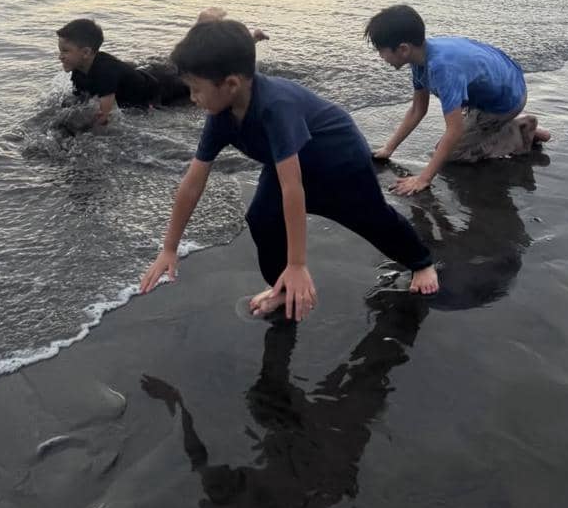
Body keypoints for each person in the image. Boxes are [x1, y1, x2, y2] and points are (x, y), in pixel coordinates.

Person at [139, 18, 438, 321]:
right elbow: (193, 181)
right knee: (262, 218)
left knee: (371, 218)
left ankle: (421, 262)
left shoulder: (275, 107)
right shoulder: (220, 115)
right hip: (285, 159)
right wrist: (169, 247)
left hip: (339, 161)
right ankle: (282, 290)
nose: (192, 99)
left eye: (196, 90)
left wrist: (298, 264)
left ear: (231, 84)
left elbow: (291, 187)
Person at [365, 4, 551, 196]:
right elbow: (417, 110)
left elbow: (455, 130)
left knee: (452, 155)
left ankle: (520, 128)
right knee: (447, 147)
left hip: (505, 101)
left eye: (381, 50)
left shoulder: (442, 68)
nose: (381, 56)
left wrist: (423, 179)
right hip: (499, 87)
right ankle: (517, 128)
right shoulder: (420, 59)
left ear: (403, 49)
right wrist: (388, 149)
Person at [56, 9, 267, 126]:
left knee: (202, 71)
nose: (60, 56)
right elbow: (81, 99)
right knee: (185, 59)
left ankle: (247, 42)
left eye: (65, 51)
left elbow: (105, 116)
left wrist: (80, 130)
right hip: (150, 75)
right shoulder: (79, 70)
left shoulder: (104, 72)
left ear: (85, 52)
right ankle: (204, 22)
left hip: (162, 89)